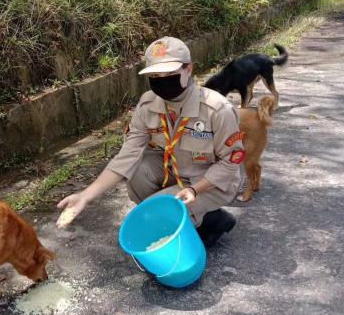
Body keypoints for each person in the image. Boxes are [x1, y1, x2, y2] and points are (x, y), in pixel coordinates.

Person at [56, 37, 245, 247]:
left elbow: (230, 162)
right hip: (173, 171)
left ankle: (193, 218)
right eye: (155, 75)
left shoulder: (216, 110)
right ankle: (199, 219)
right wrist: (85, 196)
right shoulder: (147, 105)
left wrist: (195, 190)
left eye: (169, 74)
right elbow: (127, 155)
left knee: (152, 218)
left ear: (188, 69)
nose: (162, 80)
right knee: (138, 170)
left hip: (210, 181)